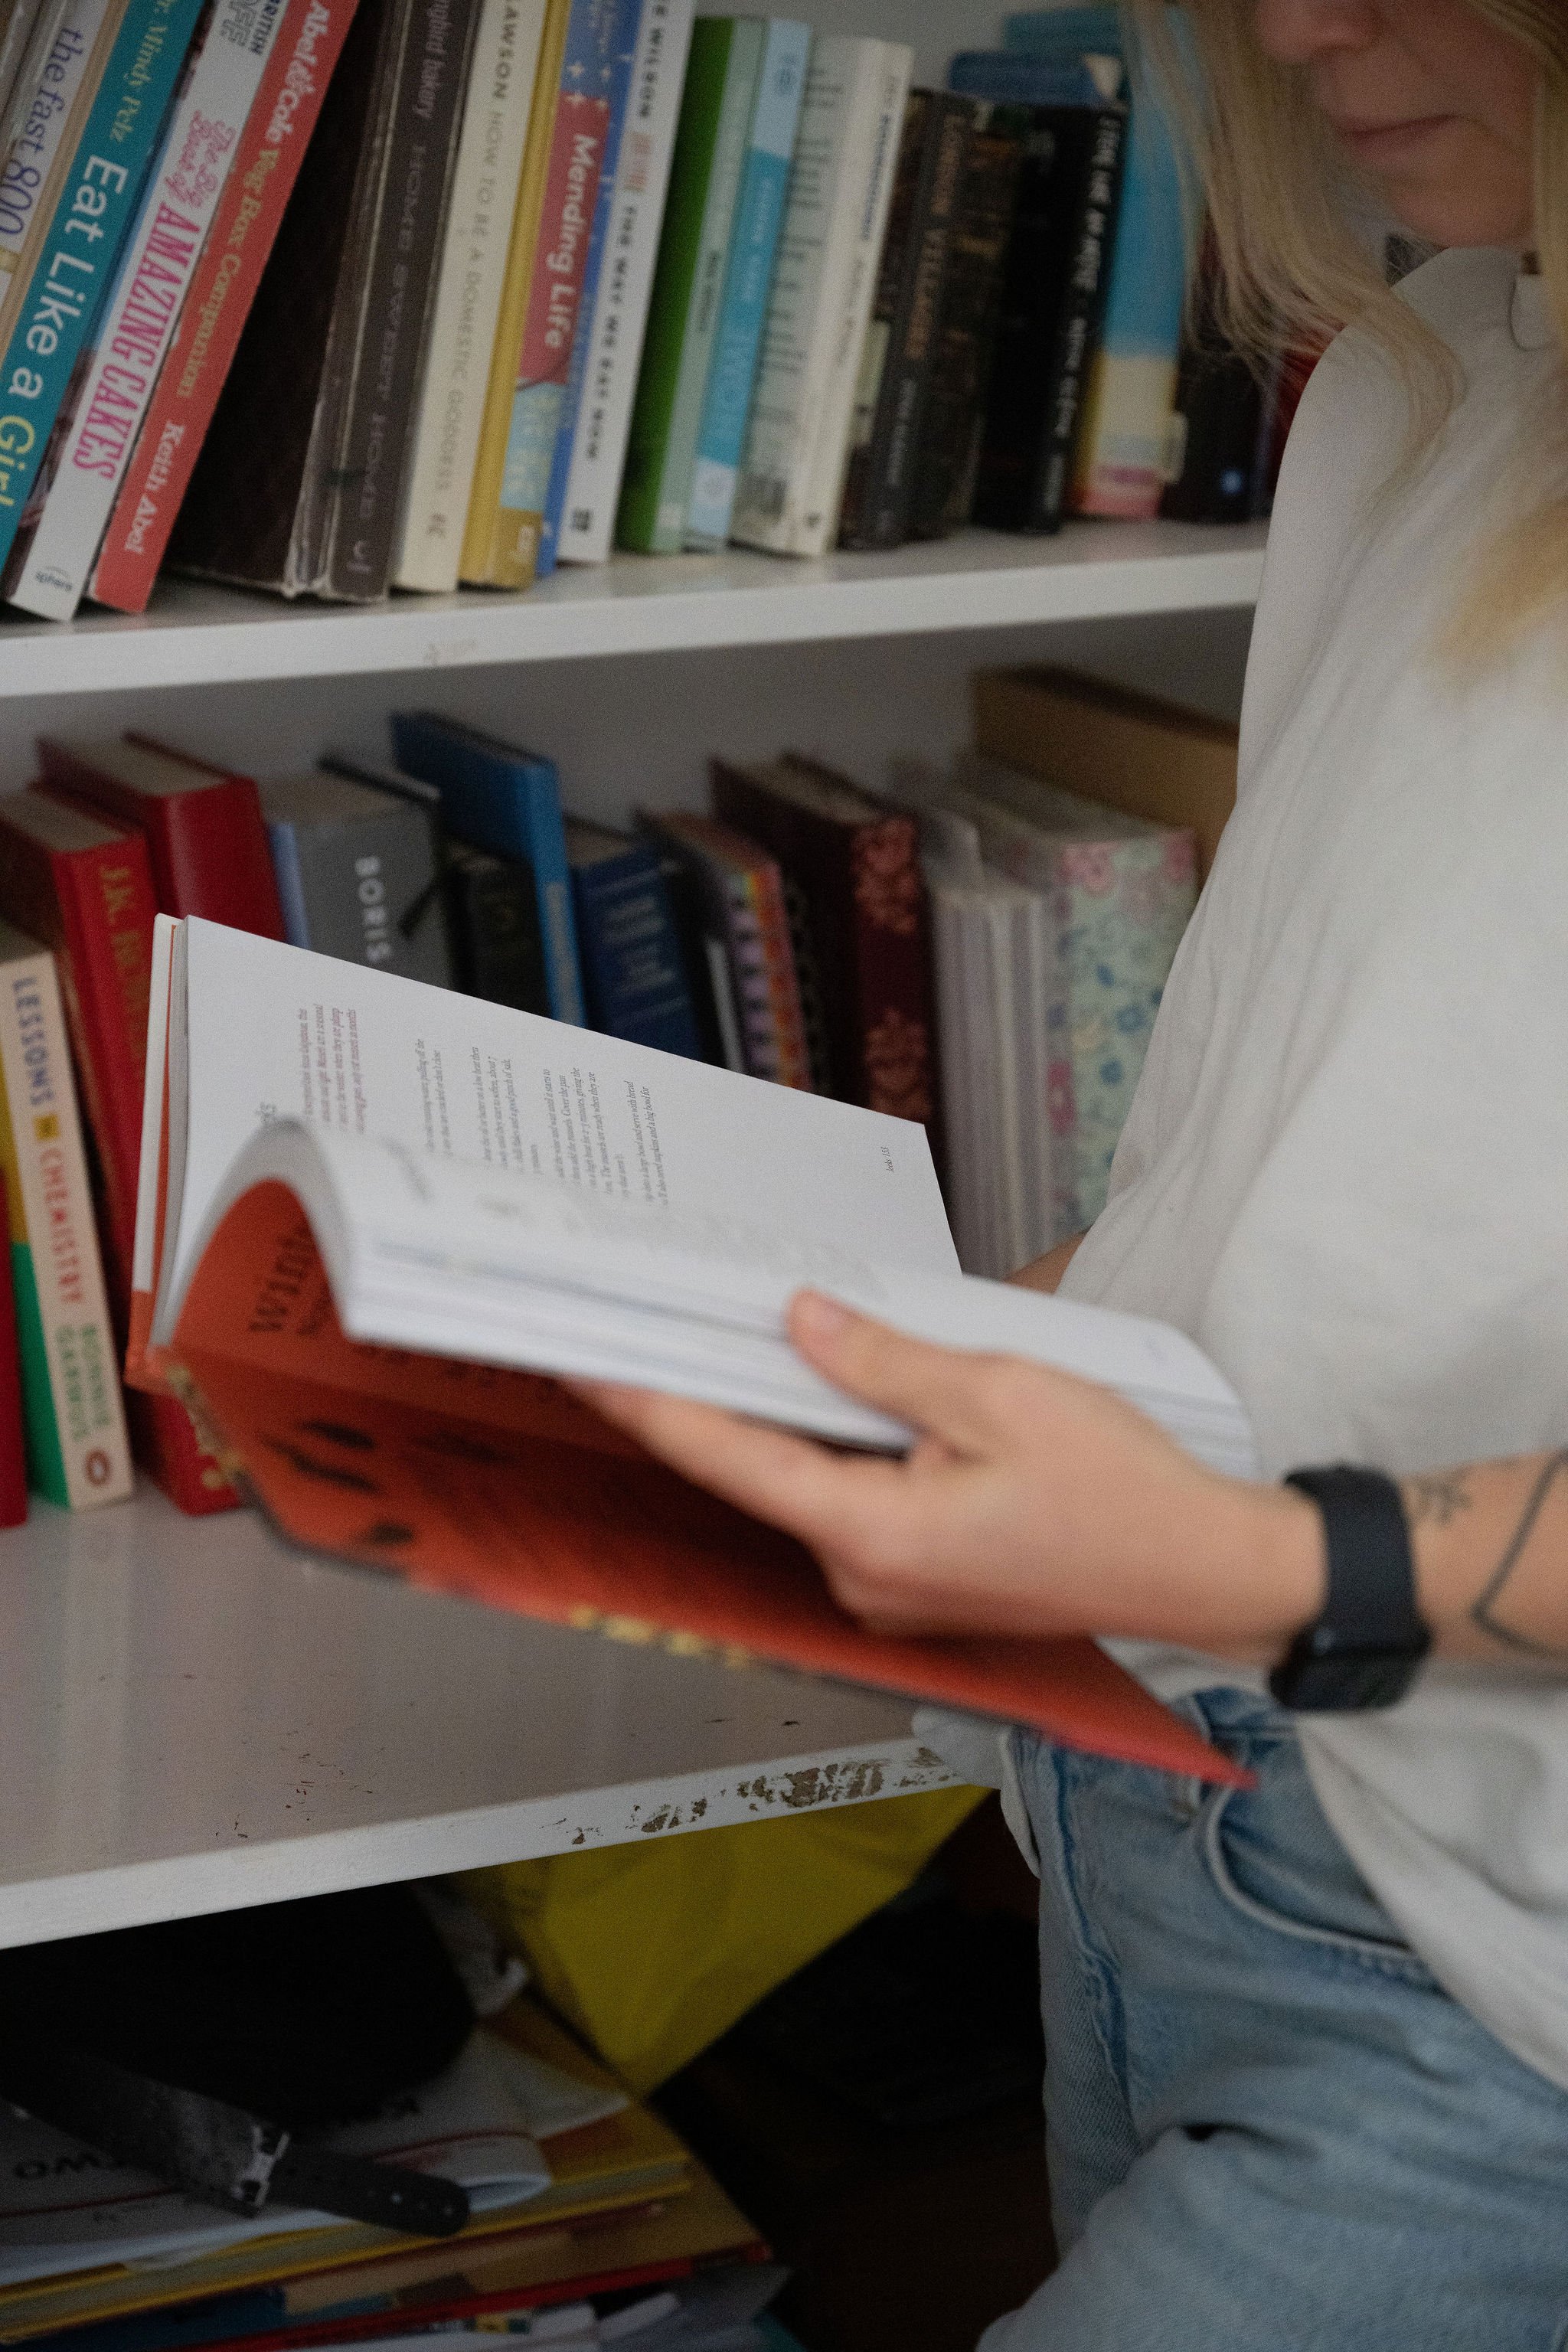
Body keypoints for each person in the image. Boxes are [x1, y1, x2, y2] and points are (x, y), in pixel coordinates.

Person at [578, 3, 1568, 2344]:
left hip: (1485, 1993)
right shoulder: (1435, 383)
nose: (1302, 21)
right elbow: (1346, 1156)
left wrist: (1232, 1551)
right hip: (1164, 1815)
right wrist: (932, 1356)